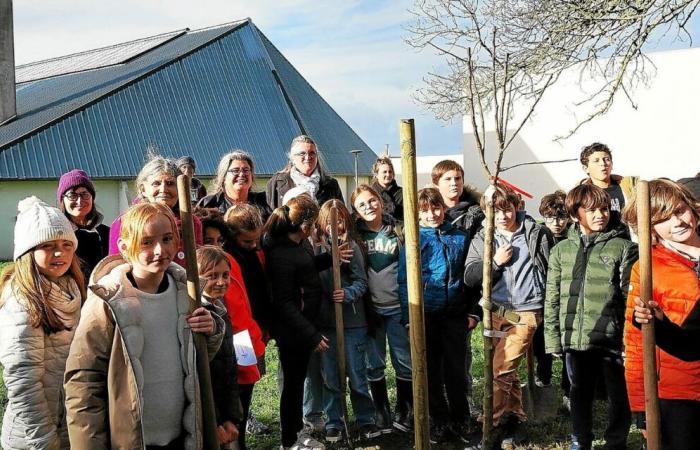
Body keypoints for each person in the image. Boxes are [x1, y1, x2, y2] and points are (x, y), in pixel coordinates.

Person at [65, 202, 224, 449]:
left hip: (181, 437)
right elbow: (83, 381)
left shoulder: (188, 294)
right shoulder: (108, 302)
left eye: (168, 239)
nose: (160, 250)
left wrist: (210, 331)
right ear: (125, 247)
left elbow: (197, 364)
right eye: (147, 242)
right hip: (130, 440)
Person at [544, 184, 638, 450]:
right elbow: (552, 297)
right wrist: (553, 339)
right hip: (575, 335)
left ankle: (615, 441)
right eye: (593, 210)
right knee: (579, 392)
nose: (601, 215)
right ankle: (580, 440)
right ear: (576, 213)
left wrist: (628, 338)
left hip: (612, 338)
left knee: (618, 395)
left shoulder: (623, 248)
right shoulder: (560, 251)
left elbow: (628, 297)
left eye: (605, 209)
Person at [464, 184, 552, 447]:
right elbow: (470, 276)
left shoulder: (535, 234)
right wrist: (494, 263)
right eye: (495, 211)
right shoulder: (483, 238)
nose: (502, 216)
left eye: (507, 209)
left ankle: (488, 427)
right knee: (508, 372)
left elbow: (549, 270)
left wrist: (550, 308)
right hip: (497, 313)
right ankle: (516, 418)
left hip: (527, 312)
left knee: (499, 370)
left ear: (517, 207)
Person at [264, 195, 352, 450]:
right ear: (304, 226)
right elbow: (284, 303)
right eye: (313, 224)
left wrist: (330, 256)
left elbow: (306, 267)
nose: (315, 229)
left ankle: (296, 431)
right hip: (293, 332)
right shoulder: (280, 253)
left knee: (297, 381)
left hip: (302, 327)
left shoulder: (298, 246)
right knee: (292, 386)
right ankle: (289, 440)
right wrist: (310, 334)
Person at [0, 197, 85, 450]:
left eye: (66, 244)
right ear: (28, 252)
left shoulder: (70, 288)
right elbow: (23, 379)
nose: (60, 253)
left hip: (66, 425)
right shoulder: (22, 300)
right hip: (33, 438)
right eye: (47, 245)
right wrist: (45, 441)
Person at [622, 178, 700, 450]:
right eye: (663, 218)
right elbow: (635, 343)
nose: (677, 222)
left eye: (680, 211)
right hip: (675, 393)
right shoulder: (647, 269)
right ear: (650, 227)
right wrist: (641, 409)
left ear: (692, 207)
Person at [399, 187, 474, 444]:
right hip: (425, 315)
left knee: (456, 371)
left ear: (443, 208)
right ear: (417, 213)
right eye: (425, 210)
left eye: (435, 208)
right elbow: (403, 281)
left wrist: (472, 313)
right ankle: (439, 421)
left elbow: (471, 279)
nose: (431, 214)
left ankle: (461, 418)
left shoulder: (460, 238)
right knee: (429, 372)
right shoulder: (413, 240)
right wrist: (409, 317)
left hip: (454, 314)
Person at [351, 184, 413, 434]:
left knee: (404, 360)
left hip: (398, 307)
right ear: (355, 211)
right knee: (373, 362)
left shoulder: (398, 230)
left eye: (372, 201)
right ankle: (380, 410)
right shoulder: (356, 235)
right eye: (362, 204)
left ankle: (405, 409)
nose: (369, 207)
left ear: (381, 201)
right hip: (371, 310)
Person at [314, 199, 377, 443]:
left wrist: (347, 293)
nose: (335, 224)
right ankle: (334, 422)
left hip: (352, 323)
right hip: (327, 323)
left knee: (357, 376)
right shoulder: (318, 248)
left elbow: (361, 281)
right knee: (331, 378)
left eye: (339, 218)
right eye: (330, 219)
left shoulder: (351, 246)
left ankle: (365, 419)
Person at [108, 155, 203, 267]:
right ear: (143, 189)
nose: (163, 190)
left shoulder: (191, 223)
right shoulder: (125, 222)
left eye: (170, 184)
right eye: (156, 183)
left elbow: (199, 265)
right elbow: (115, 267)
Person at [196, 246, 243, 447]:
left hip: (223, 409)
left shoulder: (220, 309)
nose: (221, 282)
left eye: (225, 275)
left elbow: (229, 369)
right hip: (206, 413)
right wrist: (213, 421)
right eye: (212, 276)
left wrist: (230, 417)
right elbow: (203, 376)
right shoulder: (197, 315)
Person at [534, 190, 570, 395]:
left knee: (567, 348)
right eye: (551, 217)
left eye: (561, 217)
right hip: (542, 298)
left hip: (565, 298)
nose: (556, 222)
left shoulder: (573, 238)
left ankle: (568, 389)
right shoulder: (538, 236)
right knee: (541, 342)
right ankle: (543, 375)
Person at [57, 169, 110, 280]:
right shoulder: (57, 235)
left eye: (84, 194)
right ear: (62, 200)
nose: (79, 201)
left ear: (92, 197)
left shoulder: (108, 233)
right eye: (72, 195)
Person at [266, 135, 344, 210]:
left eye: (312, 153)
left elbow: (342, 215)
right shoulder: (276, 183)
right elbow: (270, 218)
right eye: (302, 153)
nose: (308, 157)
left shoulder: (331, 185)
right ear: (292, 158)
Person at [577, 142, 638, 234]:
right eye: (596, 160)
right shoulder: (581, 194)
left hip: (630, 242)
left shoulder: (629, 186)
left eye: (606, 159)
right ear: (586, 168)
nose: (603, 164)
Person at [197, 150, 271, 221]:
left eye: (246, 170)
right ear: (224, 177)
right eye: (235, 170)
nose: (242, 174)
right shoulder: (209, 203)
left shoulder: (264, 201)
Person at [371, 156, 403, 222]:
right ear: (376, 174)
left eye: (390, 172)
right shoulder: (370, 193)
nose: (388, 175)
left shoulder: (402, 193)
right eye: (384, 172)